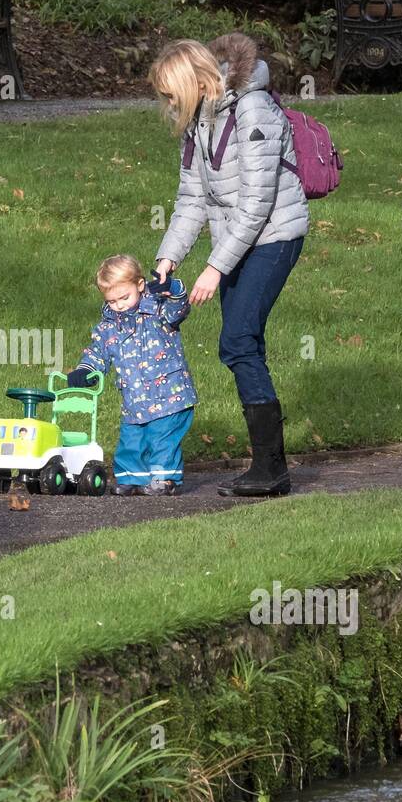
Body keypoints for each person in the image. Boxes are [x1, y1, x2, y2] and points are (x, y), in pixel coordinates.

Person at [150, 33, 308, 497]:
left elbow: (257, 204)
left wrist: (214, 267)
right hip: (239, 241)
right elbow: (193, 197)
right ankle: (268, 467)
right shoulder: (202, 119)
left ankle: (271, 469)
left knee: (237, 340)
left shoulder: (252, 111)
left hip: (275, 234)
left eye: (170, 91)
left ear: (195, 80)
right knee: (243, 343)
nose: (167, 101)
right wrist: (168, 256)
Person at [66, 254, 197, 495]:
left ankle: (164, 479)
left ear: (139, 285)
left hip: (170, 396)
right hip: (134, 397)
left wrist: (174, 288)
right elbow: (97, 352)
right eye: (112, 300)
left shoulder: (158, 310)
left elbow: (179, 309)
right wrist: (85, 370)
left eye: (124, 297)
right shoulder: (108, 326)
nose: (119, 305)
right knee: (131, 440)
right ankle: (131, 478)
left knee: (161, 440)